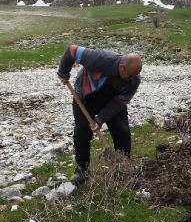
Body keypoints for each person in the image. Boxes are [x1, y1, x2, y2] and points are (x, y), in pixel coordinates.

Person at [57, 44, 143, 184]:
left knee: (122, 130)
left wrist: (100, 119)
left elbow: (119, 102)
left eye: (135, 75)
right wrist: (63, 72)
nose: (132, 78)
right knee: (82, 131)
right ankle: (82, 168)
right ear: (121, 66)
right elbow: (71, 50)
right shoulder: (100, 58)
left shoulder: (134, 80)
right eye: (130, 75)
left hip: (112, 100)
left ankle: (123, 164)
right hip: (86, 97)